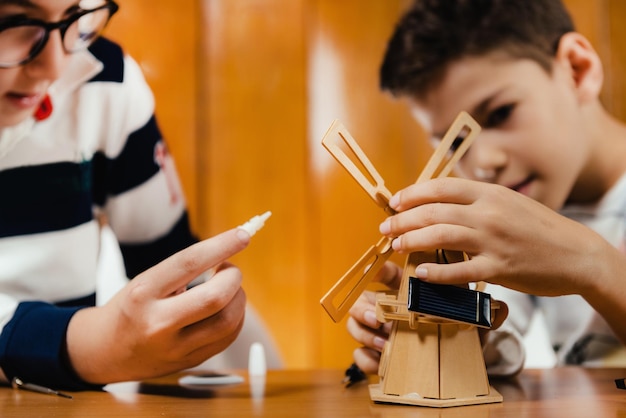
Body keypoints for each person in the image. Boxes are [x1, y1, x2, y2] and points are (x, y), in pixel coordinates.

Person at [347, 0, 626, 378]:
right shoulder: (533, 204)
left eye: (500, 113)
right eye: (455, 143)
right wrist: (453, 336)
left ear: (577, 70)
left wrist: (595, 264)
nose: (483, 162)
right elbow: (501, 331)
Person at [0, 0, 250, 391]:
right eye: (14, 22)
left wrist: (200, 316)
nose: (53, 67)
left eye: (71, 16)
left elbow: (169, 264)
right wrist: (92, 345)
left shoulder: (104, 77)